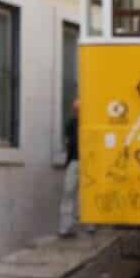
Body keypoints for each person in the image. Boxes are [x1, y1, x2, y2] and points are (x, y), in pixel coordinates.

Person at [58, 99, 80, 237]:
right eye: (76, 109)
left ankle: (67, 227)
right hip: (75, 161)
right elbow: (68, 142)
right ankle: (66, 227)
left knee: (70, 195)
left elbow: (68, 142)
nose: (77, 112)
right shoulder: (71, 123)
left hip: (78, 161)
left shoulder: (72, 123)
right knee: (69, 194)